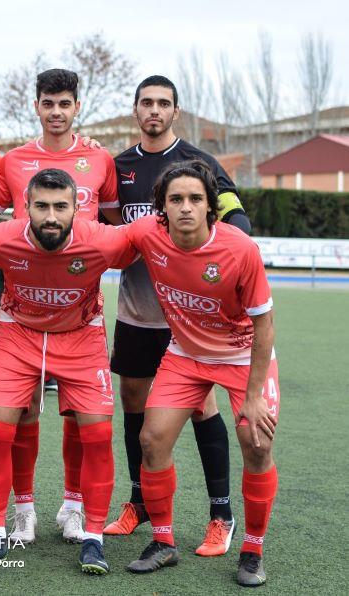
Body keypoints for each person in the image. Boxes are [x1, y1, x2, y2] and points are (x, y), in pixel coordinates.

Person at [105, 76, 251, 559]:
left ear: (175, 111)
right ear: (135, 110)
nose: (154, 110)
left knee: (199, 406)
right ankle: (140, 502)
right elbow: (106, 228)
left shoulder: (198, 163)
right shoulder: (119, 166)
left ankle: (220, 513)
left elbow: (235, 217)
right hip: (137, 307)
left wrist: (229, 262)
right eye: (146, 102)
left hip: (190, 316)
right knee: (132, 400)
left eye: (163, 103)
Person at [0, 69, 122, 544]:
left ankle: (74, 505)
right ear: (36, 106)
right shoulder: (13, 160)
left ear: (77, 106)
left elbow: (114, 225)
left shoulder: (100, 158)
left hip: (78, 302)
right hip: (22, 296)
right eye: (48, 103)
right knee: (19, 414)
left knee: (83, 420)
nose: (56, 112)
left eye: (65, 103)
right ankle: (22, 512)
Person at [0, 168, 134, 574]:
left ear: (78, 209)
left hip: (80, 335)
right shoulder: (0, 238)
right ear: (24, 207)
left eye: (61, 207)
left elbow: (147, 235)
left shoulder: (101, 240)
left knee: (98, 433)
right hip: (18, 333)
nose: (51, 216)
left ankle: (93, 538)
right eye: (41, 206)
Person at [123, 160, 277, 588]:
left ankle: (252, 549)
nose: (186, 208)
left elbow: (265, 325)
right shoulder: (146, 235)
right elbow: (96, 241)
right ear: (162, 206)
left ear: (211, 206)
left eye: (195, 199)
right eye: (176, 200)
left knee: (256, 441)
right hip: (186, 354)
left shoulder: (240, 249)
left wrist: (254, 396)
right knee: (151, 440)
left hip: (242, 354)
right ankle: (163, 542)